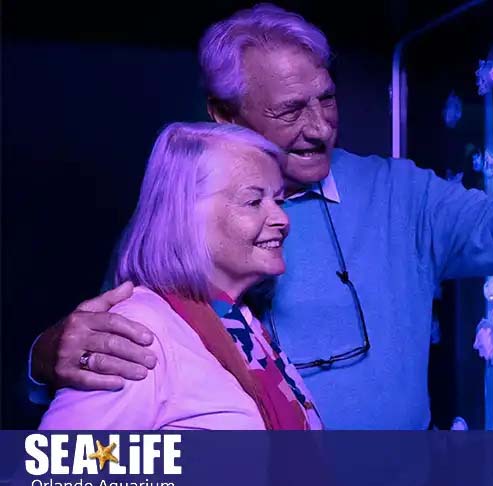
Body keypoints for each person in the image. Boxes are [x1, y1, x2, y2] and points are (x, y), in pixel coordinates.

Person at [28, 4, 493, 430]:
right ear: (221, 116)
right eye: (287, 111)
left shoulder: (399, 193)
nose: (318, 129)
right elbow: (87, 426)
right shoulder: (169, 236)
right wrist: (43, 360)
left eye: (327, 100)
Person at [38, 122, 320, 430]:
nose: (282, 219)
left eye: (278, 201)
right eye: (254, 201)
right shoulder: (140, 330)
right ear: (186, 214)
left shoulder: (243, 324)